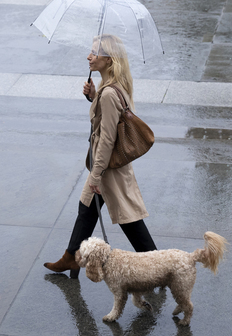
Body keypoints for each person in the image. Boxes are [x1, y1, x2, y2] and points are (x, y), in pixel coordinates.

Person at [44, 34, 157, 279]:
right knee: (86, 208)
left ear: (108, 59)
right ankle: (72, 257)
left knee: (129, 220)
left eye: (94, 53)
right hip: (106, 165)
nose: (89, 56)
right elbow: (109, 119)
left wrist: (96, 174)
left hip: (108, 168)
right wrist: (92, 96)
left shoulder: (108, 94)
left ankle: (156, 265)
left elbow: (107, 139)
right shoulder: (112, 87)